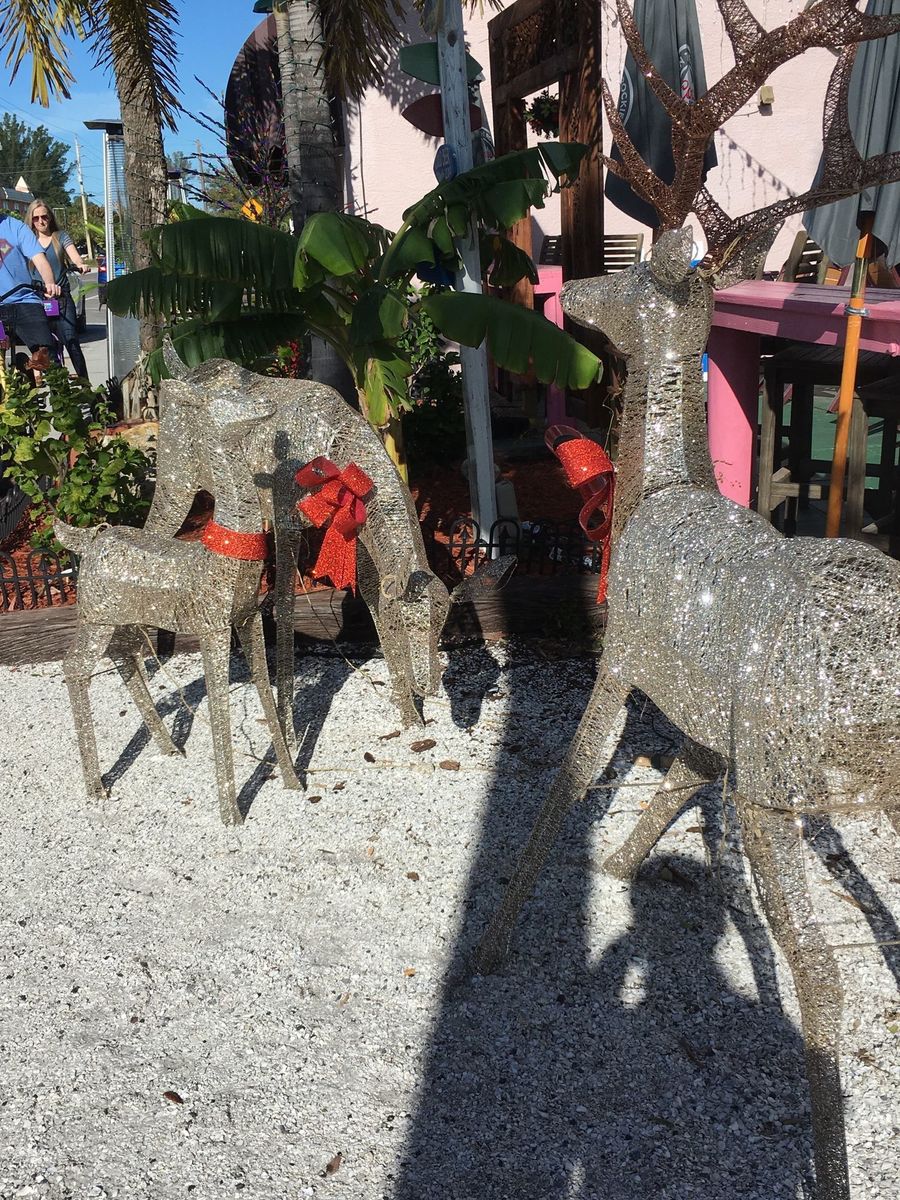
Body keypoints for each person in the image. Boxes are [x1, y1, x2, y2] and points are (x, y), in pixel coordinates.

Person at [25, 199, 91, 380]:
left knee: (71, 341)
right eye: (36, 218)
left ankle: (85, 384)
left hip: (61, 298)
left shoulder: (60, 237)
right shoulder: (28, 240)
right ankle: (58, 388)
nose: (41, 221)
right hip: (37, 299)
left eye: (44, 217)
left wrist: (80, 264)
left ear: (50, 217)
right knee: (45, 348)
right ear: (31, 220)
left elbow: (74, 256)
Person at [0, 210, 61, 371]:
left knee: (46, 353)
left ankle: (55, 383)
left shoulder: (16, 227)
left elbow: (39, 259)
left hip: (22, 299)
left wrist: (50, 283)